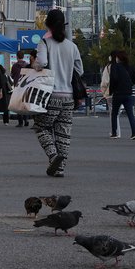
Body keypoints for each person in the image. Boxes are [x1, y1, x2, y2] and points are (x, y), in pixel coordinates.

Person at [34, 9, 83, 178]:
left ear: (48, 24)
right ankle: (60, 168)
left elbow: (42, 63)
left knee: (41, 127)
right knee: (63, 132)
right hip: (68, 96)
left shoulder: (45, 43)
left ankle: (53, 156)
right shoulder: (72, 46)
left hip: (50, 95)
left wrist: (35, 66)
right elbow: (80, 70)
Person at [109, 50, 135, 140]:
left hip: (118, 93)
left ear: (118, 58)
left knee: (114, 113)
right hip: (128, 93)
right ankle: (134, 133)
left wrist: (111, 91)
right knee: (130, 114)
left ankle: (114, 133)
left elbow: (113, 79)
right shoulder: (131, 67)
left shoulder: (115, 67)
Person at [100, 51, 120, 137]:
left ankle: (115, 132)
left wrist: (103, 92)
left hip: (110, 93)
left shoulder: (108, 67)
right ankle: (132, 132)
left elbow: (105, 81)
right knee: (118, 113)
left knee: (113, 113)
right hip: (121, 92)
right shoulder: (121, 67)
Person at [11, 50, 29, 127]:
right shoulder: (27, 65)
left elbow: (12, 76)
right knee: (25, 103)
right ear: (23, 56)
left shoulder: (15, 66)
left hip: (17, 86)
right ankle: (26, 120)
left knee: (18, 104)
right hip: (26, 86)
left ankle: (20, 122)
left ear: (17, 56)